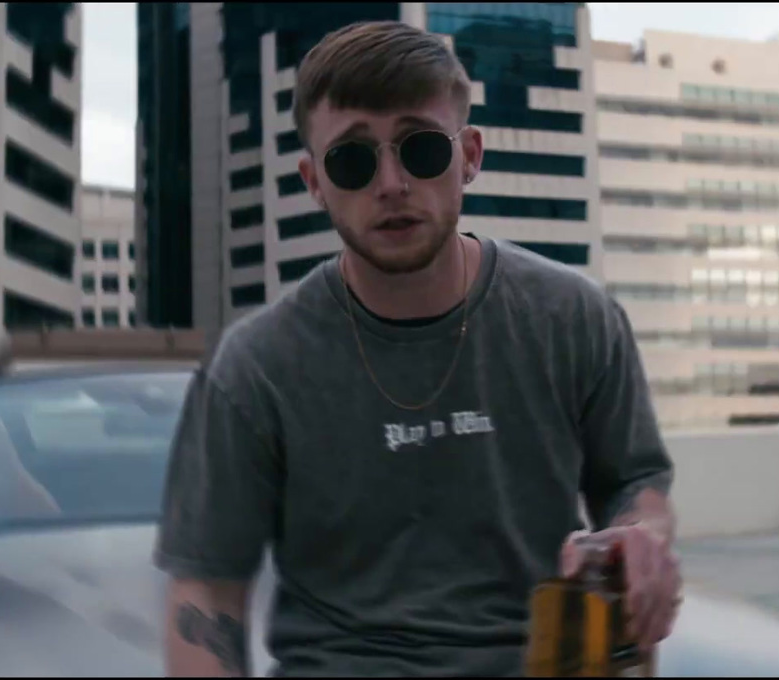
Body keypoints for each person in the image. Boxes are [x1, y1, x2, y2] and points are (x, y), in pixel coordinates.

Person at [155, 20, 680, 677]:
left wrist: (642, 537)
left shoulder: (573, 318)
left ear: (469, 156)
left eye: (421, 149)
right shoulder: (256, 367)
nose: (392, 182)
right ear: (314, 181)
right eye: (353, 159)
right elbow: (207, 591)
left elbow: (634, 482)